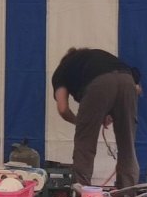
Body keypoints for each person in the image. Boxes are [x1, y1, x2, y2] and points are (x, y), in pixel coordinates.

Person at [51, 47, 140, 188]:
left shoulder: (63, 69)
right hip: (127, 80)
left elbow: (63, 109)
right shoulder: (100, 55)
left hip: (97, 85)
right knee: (127, 145)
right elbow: (137, 88)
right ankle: (127, 194)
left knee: (85, 144)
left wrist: (80, 123)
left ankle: (83, 192)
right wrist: (110, 112)